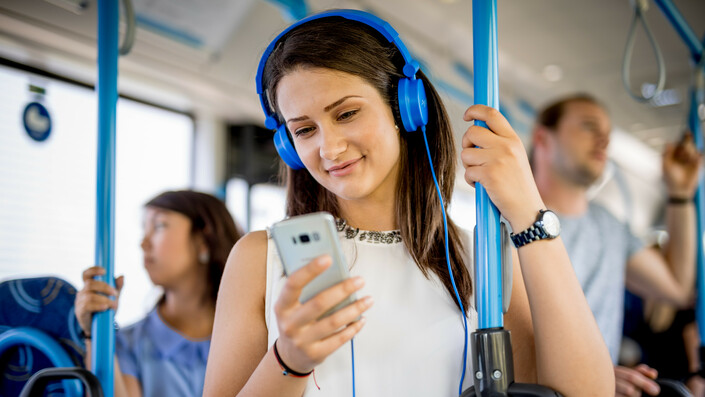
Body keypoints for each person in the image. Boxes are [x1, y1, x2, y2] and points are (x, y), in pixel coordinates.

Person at [203, 10, 614, 396]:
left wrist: (528, 209)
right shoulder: (261, 259)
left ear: (405, 107)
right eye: (305, 129)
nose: (329, 148)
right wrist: (288, 361)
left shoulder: (484, 260)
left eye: (346, 114)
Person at [529, 93, 701, 396]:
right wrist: (586, 376)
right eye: (589, 127)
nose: (603, 141)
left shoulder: (609, 226)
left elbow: (676, 286)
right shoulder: (509, 223)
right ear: (543, 137)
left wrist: (680, 193)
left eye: (607, 134)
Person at [74, 190, 242, 397]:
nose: (143, 243)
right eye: (144, 229)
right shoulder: (125, 344)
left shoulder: (252, 340)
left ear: (203, 241)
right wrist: (95, 333)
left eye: (159, 226)